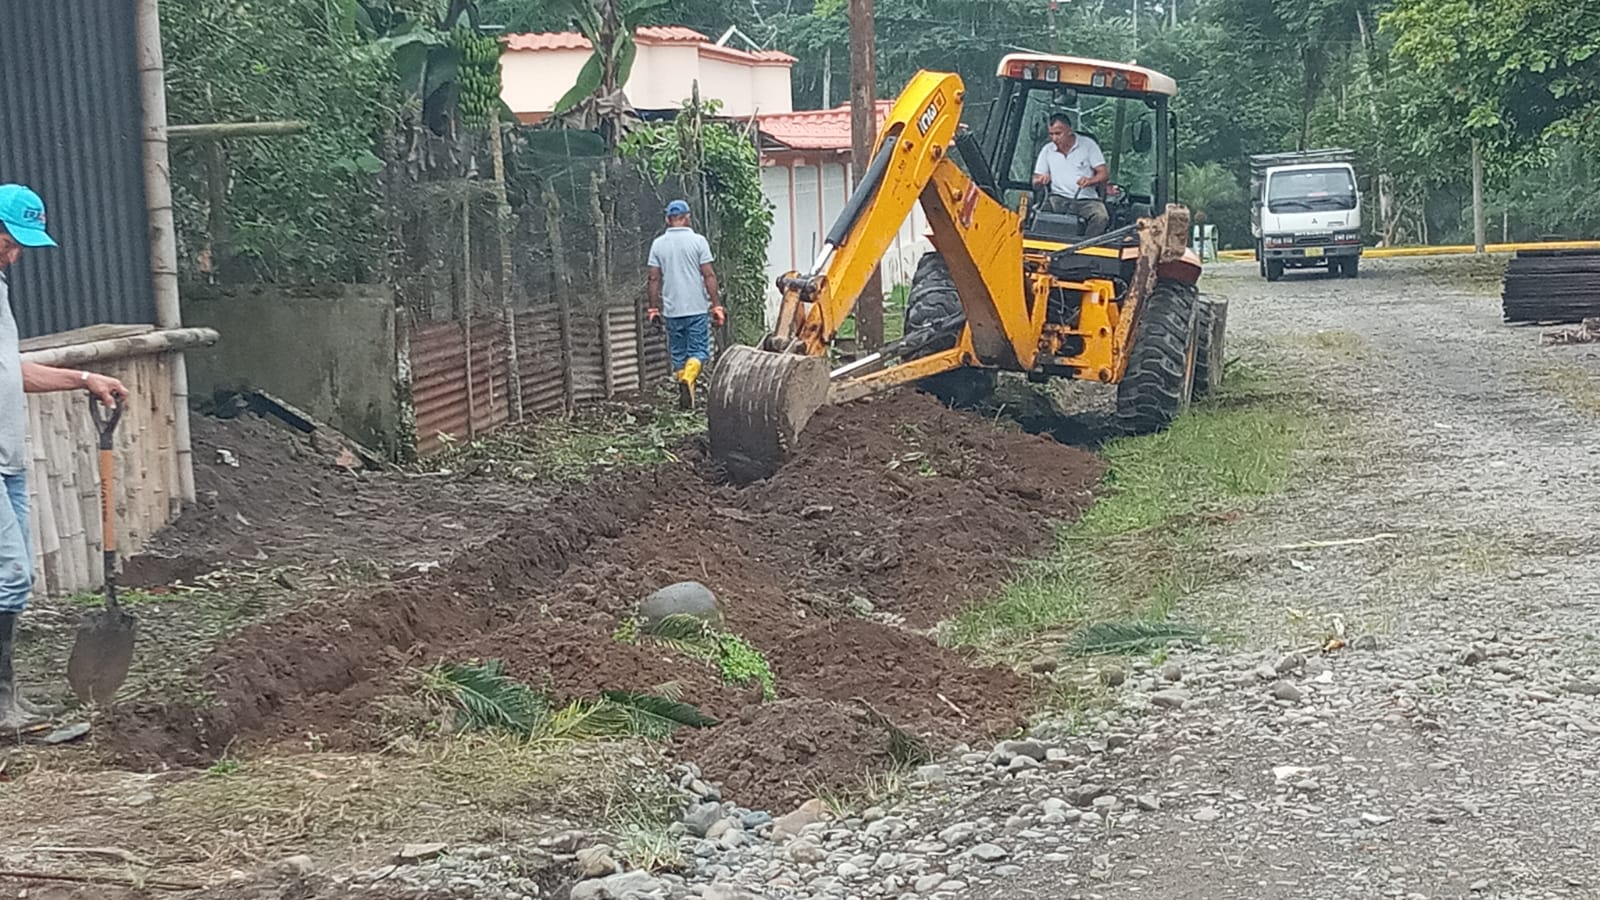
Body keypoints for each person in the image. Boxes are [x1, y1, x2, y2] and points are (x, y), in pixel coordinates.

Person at [0, 184, 129, 729]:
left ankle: (7, 698)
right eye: (9, 241)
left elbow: (13, 370)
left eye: (19, 245)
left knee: (14, 578)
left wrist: (82, 378)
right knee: (11, 573)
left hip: (9, 459)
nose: (15, 254)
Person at [646, 200, 724, 409]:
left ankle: (687, 401)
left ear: (667, 219)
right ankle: (688, 380)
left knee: (679, 354)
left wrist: (653, 309)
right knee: (698, 352)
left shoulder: (658, 244)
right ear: (687, 217)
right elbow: (708, 275)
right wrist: (716, 305)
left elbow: (653, 278)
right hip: (696, 308)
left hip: (672, 310)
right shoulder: (698, 242)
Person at [1031, 113, 1110, 236]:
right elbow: (1035, 182)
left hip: (1086, 199)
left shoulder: (1088, 145)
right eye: (1051, 134)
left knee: (1101, 217)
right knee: (1039, 218)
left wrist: (1090, 181)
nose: (1054, 138)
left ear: (1069, 131)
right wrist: (1040, 180)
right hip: (1057, 198)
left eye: (1058, 134)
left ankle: (1086, 245)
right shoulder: (1047, 150)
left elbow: (1103, 174)